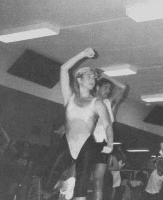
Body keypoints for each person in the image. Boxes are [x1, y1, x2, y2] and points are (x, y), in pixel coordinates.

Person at [42, 48, 114, 200]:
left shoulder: (97, 103)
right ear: (79, 79)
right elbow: (64, 68)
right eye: (88, 77)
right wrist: (82, 55)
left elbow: (108, 125)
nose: (92, 80)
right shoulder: (69, 97)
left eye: (93, 79)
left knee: (81, 189)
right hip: (66, 143)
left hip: (86, 146)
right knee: (47, 183)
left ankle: (75, 191)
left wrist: (110, 144)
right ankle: (64, 186)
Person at [92, 77, 129, 200]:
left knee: (98, 181)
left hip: (103, 145)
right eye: (105, 87)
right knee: (78, 177)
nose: (108, 90)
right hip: (88, 143)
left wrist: (107, 77)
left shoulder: (109, 102)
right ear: (97, 87)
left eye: (109, 88)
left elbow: (123, 88)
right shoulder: (90, 102)